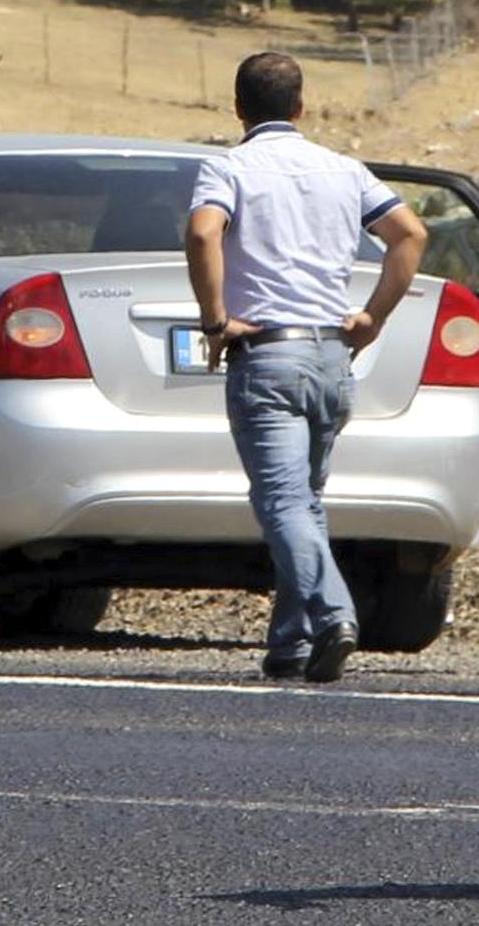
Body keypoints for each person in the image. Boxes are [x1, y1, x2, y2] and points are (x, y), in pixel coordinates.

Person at [185, 52, 429, 684]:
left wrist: (214, 320)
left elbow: (204, 232)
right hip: (330, 356)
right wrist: (372, 315)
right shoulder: (344, 169)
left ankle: (333, 613)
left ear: (238, 108)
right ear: (301, 106)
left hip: (267, 354)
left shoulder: (229, 166)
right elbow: (410, 234)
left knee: (280, 501)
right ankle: (289, 643)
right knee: (305, 501)